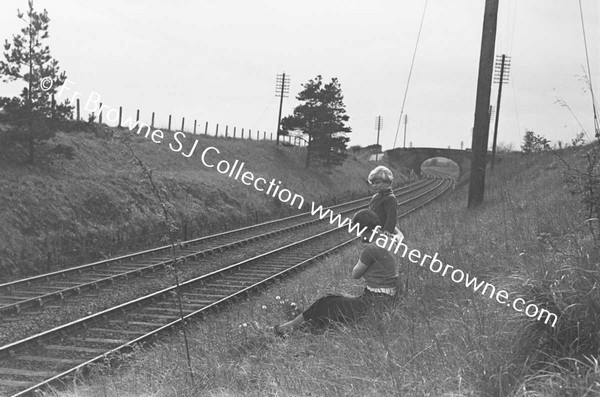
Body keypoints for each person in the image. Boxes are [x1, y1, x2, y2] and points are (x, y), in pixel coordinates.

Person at [273, 209, 399, 335]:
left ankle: (287, 328)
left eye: (358, 232)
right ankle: (306, 326)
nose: (358, 236)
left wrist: (364, 253)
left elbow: (355, 274)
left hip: (372, 302)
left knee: (326, 301)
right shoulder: (391, 241)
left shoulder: (370, 250)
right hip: (388, 299)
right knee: (334, 301)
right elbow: (398, 234)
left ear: (363, 230)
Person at [368, 166, 398, 236]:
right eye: (373, 183)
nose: (374, 185)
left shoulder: (390, 198)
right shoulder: (375, 197)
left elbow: (391, 217)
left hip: (383, 232)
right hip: (374, 231)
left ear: (387, 183)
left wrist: (387, 230)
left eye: (377, 183)